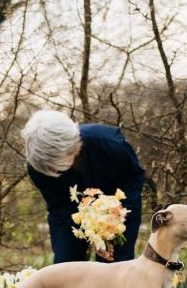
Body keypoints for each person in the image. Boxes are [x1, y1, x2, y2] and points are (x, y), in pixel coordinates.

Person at [22, 110, 145, 263]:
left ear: (72, 146)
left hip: (119, 210)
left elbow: (133, 180)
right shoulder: (38, 166)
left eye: (57, 165)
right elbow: (60, 206)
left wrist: (108, 228)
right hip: (69, 214)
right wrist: (93, 234)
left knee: (115, 266)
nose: (55, 171)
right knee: (65, 266)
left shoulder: (111, 144)